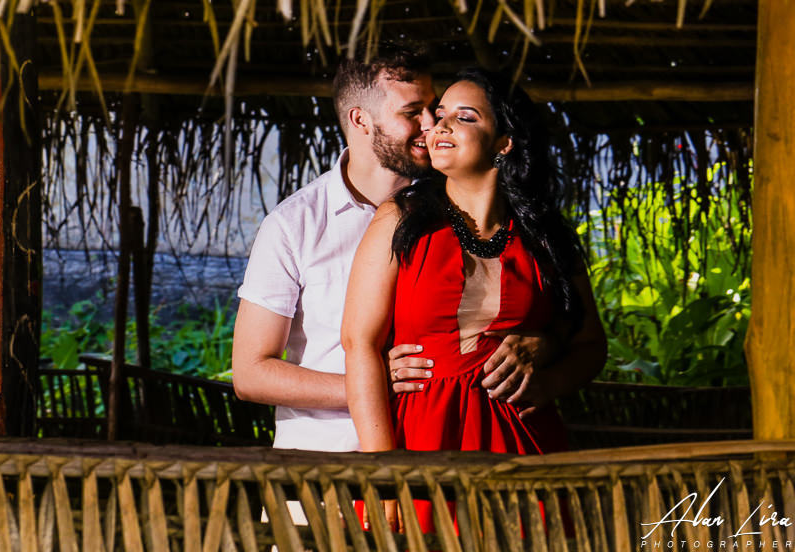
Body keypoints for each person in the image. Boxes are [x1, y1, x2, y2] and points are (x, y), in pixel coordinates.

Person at [233, 51, 554, 453]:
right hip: (326, 459)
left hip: (436, 442)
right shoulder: (294, 224)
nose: (430, 124)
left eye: (433, 109)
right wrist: (371, 383)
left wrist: (544, 344)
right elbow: (250, 374)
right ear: (360, 120)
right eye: (413, 112)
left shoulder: (453, 212)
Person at [342, 66, 607, 528]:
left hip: (524, 447)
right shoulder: (400, 219)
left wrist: (548, 376)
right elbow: (359, 344)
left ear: (504, 142)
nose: (439, 126)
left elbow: (590, 345)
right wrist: (382, 470)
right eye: (440, 114)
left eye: (464, 117)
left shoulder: (545, 237)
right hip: (422, 443)